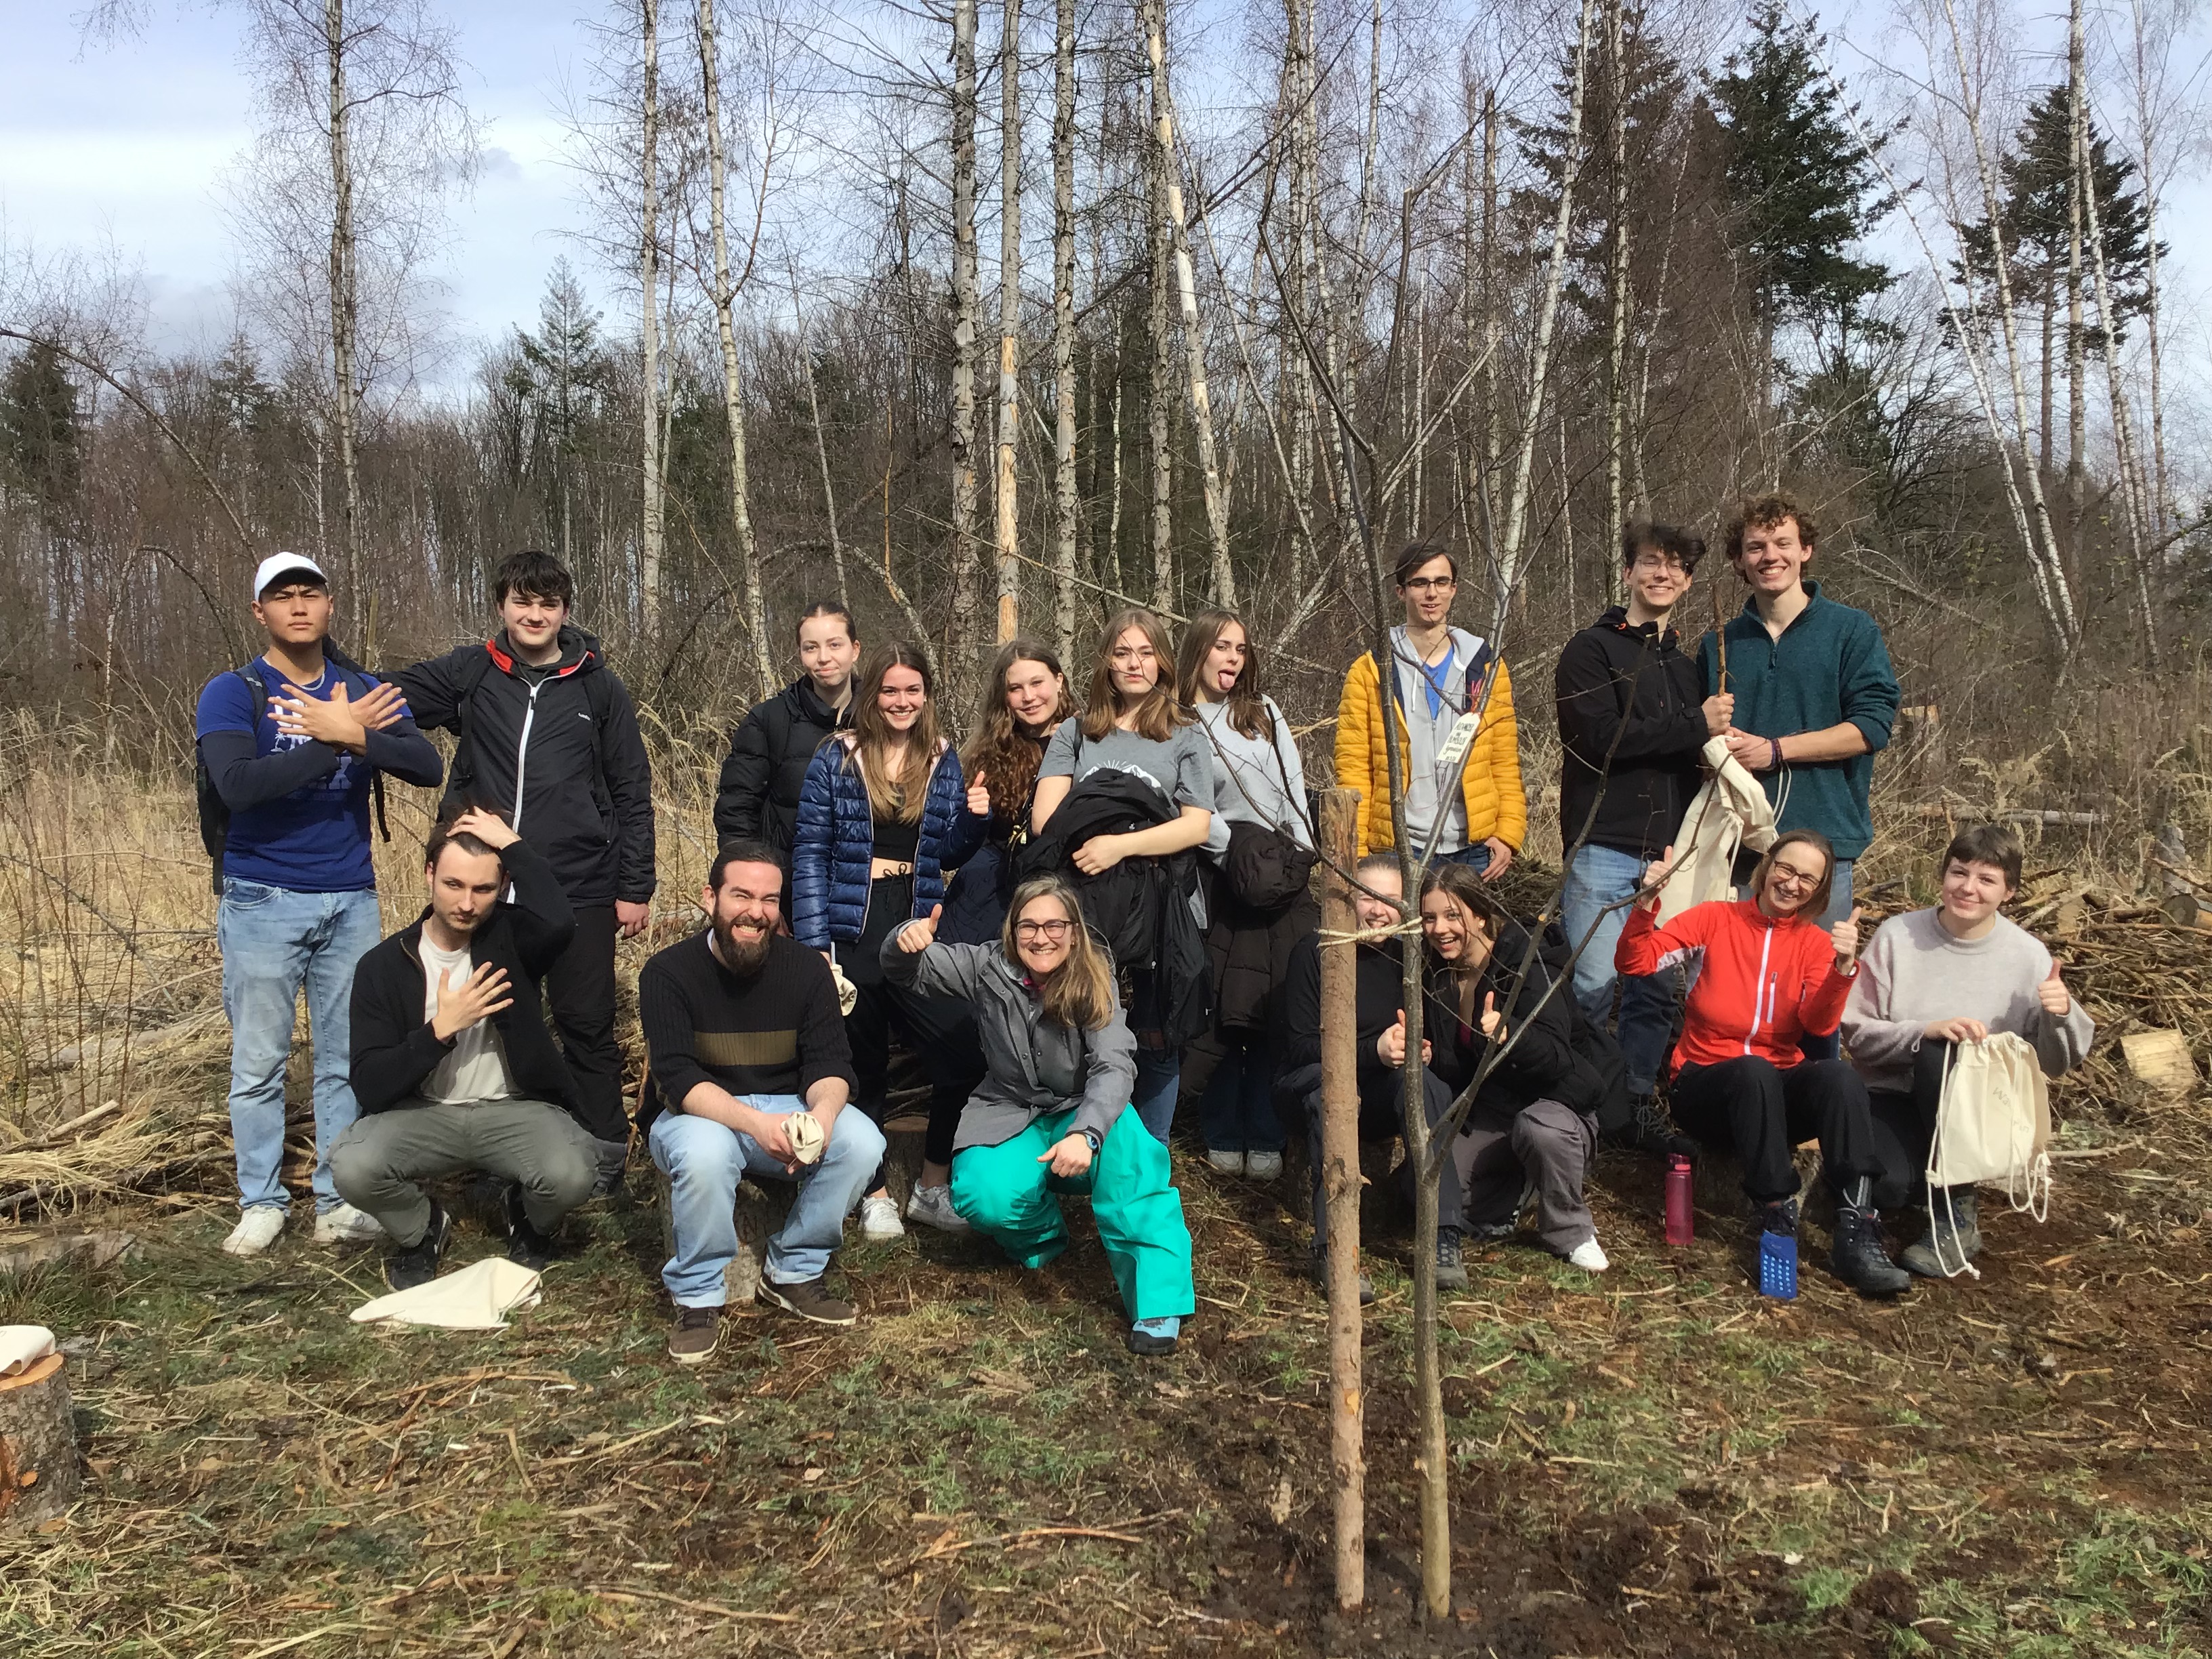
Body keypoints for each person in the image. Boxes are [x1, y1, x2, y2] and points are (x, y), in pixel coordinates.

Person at [195, 552, 444, 1256]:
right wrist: (329, 737)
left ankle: (337, 1200)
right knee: (259, 1063)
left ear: (330, 605)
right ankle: (262, 1201)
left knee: (344, 1056)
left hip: (350, 899)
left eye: (311, 593)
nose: (298, 606)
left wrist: (356, 730)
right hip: (262, 897)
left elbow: (427, 767)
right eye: (283, 597)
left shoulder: (364, 686)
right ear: (260, 613)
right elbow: (240, 785)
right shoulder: (233, 691)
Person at [392, 550, 654, 1189]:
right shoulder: (473, 672)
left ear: (565, 611)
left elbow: (630, 789)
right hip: (486, 884)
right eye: (522, 602)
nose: (534, 615)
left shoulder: (598, 686)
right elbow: (390, 695)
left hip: (580, 884)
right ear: (502, 605)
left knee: (584, 1021)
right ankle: (501, 1153)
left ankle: (603, 1156)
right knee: (495, 1020)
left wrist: (635, 887)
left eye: (548, 604)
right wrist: (321, 670)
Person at [886, 880, 1195, 1355]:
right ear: (1012, 931)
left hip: (1085, 1106)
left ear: (1073, 931)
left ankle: (1157, 1300)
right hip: (1010, 1108)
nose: (1041, 937)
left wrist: (1088, 1134)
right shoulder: (987, 965)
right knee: (982, 1192)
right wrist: (905, 939)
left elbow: (1114, 1064)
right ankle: (1044, 1239)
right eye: (1028, 925)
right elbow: (906, 970)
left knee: (1133, 1163)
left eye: (1054, 925)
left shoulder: (1094, 973)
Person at [1616, 829, 1910, 1295]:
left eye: (1808, 879)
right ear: (1767, 867)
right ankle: (1775, 1211)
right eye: (1786, 868)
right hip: (1706, 1089)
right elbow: (1636, 963)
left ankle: (1857, 1224)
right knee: (1754, 1071)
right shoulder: (1713, 920)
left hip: (1774, 1093)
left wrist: (1840, 971)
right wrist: (1646, 904)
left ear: (1820, 891)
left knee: (1838, 1075)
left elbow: (1818, 1026)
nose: (1792, 884)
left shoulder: (1814, 944)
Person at [332, 808, 605, 1290]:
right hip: (424, 1115)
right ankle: (422, 1231)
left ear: (501, 888)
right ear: (429, 874)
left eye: (483, 890)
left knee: (574, 1172)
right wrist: (440, 1030)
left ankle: (526, 1216)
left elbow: (562, 922)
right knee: (352, 1166)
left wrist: (514, 845)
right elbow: (370, 1084)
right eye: (454, 885)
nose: (467, 903)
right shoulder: (383, 966)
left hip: (511, 1109)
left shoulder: (512, 937)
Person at [638, 841, 886, 1362]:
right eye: (742, 895)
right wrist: (756, 1125)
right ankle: (698, 1296)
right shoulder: (667, 973)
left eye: (770, 900)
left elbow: (832, 1066)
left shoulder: (808, 970)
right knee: (705, 1152)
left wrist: (819, 1116)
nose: (756, 912)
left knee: (863, 1141)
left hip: (787, 1106)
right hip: (700, 1114)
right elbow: (678, 1079)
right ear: (711, 898)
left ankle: (794, 1270)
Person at [792, 642, 989, 1240]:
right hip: (854, 922)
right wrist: (814, 941)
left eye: (913, 690)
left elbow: (950, 852)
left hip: (919, 927)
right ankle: (874, 1192)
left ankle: (932, 1185)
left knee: (962, 1049)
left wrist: (976, 818)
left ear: (925, 695)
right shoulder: (837, 757)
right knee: (862, 1062)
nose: (902, 702)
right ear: (872, 693)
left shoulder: (941, 757)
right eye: (890, 690)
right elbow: (809, 852)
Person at [1696, 495, 1900, 1058]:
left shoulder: (1850, 632)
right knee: (1734, 997)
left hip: (1823, 842)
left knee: (1815, 999)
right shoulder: (1719, 644)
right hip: (1740, 849)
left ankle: (1810, 1116)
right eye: (1756, 547)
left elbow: (1871, 727)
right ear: (1739, 559)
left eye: (1783, 543)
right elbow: (1699, 741)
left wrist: (1777, 750)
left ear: (1805, 550)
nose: (1770, 556)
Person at [1842, 823, 2094, 1277]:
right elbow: (1857, 1033)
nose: (1968, 889)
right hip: (1895, 1094)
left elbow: (2055, 1064)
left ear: (2009, 892)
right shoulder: (1898, 937)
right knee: (1890, 1189)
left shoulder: (2028, 955)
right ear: (1943, 876)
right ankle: (1931, 1177)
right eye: (1959, 873)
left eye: (1987, 880)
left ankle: (1957, 1212)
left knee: (1949, 1052)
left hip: (1982, 1111)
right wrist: (1924, 1030)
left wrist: (2060, 1015)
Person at [1555, 522, 1732, 1134]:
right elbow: (1600, 740)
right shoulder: (1591, 651)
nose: (1664, 574)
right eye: (1652, 562)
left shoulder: (1686, 669)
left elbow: (1690, 759)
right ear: (1628, 571)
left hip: (1668, 856)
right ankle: (1572, 1105)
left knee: (1655, 992)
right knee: (1594, 986)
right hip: (1602, 845)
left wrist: (1717, 748)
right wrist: (1696, 725)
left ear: (1687, 581)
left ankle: (1630, 1104)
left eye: (1677, 567)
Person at [1031, 609, 1214, 1143]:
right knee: (1087, 1026)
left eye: (1145, 652)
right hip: (1086, 906)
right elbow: (1047, 819)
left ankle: (1146, 1158)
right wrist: (1100, 845)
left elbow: (1195, 827)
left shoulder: (1184, 735)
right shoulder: (1076, 730)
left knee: (1159, 1037)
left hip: (1162, 909)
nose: (1134, 664)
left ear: (1162, 661)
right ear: (1106, 663)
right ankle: (1085, 1146)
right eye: (1122, 653)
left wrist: (1119, 845)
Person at [1277, 855, 1461, 1301]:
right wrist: (1373, 1051)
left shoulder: (1410, 958)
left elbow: (1430, 1037)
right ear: (1345, 900)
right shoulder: (1314, 951)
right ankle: (1335, 1252)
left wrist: (1417, 1051)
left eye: (1389, 899)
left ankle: (1443, 1236)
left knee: (1427, 1086)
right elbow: (1300, 1047)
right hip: (1309, 1086)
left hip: (1379, 1087)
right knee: (1330, 1092)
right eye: (1366, 897)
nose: (1377, 910)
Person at [1176, 608, 1315, 1182]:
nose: (1233, 657)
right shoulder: (1177, 719)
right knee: (1221, 1007)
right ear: (1198, 652)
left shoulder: (1265, 713)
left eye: (1240, 648)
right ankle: (1221, 1128)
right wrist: (1234, 852)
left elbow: (1293, 789)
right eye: (1221, 646)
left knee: (1272, 1003)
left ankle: (1266, 1129)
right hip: (1216, 876)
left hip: (1278, 879)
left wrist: (1301, 857)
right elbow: (1179, 803)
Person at [1419, 861, 1610, 1274]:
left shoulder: (1526, 962)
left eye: (1453, 915)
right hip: (1496, 1109)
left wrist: (1512, 1034)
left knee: (1539, 1130)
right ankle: (1515, 1191)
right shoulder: (1436, 974)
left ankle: (1572, 1231)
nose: (1440, 928)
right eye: (1430, 917)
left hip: (1556, 1103)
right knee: (1431, 1189)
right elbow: (1458, 1072)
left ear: (1481, 915)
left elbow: (1559, 1056)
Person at [1334, 541, 1523, 875]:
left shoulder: (1485, 666)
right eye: (1419, 583)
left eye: (1440, 582)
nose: (1431, 593)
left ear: (1454, 589)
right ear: (1400, 592)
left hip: (1472, 849)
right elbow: (1354, 769)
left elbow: (1504, 757)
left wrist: (1507, 833)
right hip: (1397, 848)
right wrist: (1357, 848)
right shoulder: (1371, 670)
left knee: (1464, 929)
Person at [714, 601, 861, 900]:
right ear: (800, 653)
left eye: (835, 645)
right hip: (790, 892)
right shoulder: (769, 721)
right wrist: (762, 897)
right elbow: (737, 815)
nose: (823, 658)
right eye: (811, 648)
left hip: (862, 893)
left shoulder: (881, 718)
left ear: (855, 649)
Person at [940, 638, 1078, 946]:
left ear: (1059, 680)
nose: (1029, 697)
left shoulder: (1090, 740)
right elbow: (957, 846)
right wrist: (974, 817)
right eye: (1016, 689)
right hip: (989, 894)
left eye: (1037, 683)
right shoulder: (989, 753)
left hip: (1061, 894)